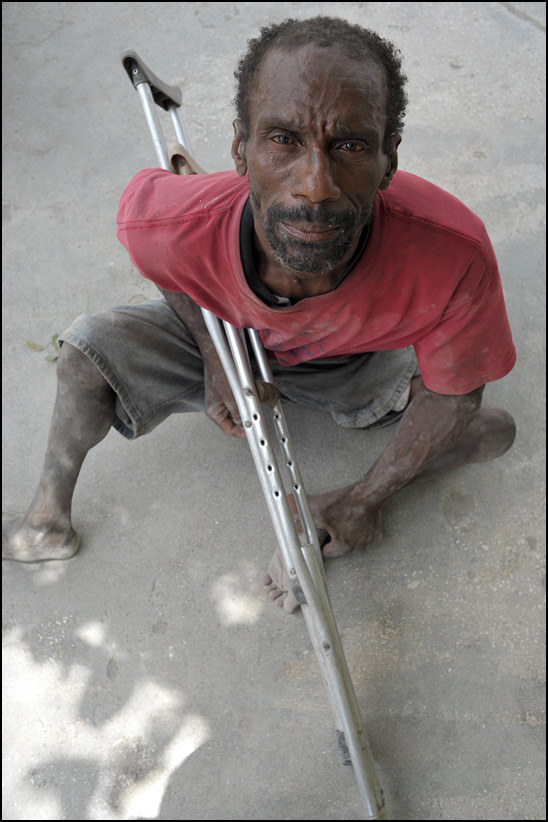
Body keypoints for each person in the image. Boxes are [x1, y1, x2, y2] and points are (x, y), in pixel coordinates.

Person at [3, 17, 516, 614]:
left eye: (349, 145)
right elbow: (163, 267)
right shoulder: (167, 222)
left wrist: (362, 499)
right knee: (85, 354)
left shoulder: (452, 255)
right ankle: (46, 523)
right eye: (282, 140)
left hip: (359, 361)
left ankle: (365, 485)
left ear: (388, 160)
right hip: (232, 336)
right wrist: (211, 358)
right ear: (240, 151)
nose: (315, 186)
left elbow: (454, 397)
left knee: (483, 425)